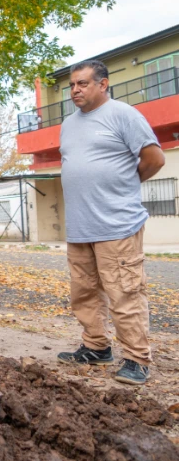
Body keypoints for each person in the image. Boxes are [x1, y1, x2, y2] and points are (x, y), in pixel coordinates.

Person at [56, 59, 165, 385]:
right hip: (80, 225)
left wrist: (124, 186)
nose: (75, 89)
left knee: (124, 292)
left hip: (116, 223)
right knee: (84, 292)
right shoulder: (68, 124)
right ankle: (95, 346)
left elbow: (154, 158)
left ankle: (137, 358)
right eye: (72, 85)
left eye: (83, 83)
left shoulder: (124, 115)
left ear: (103, 84)